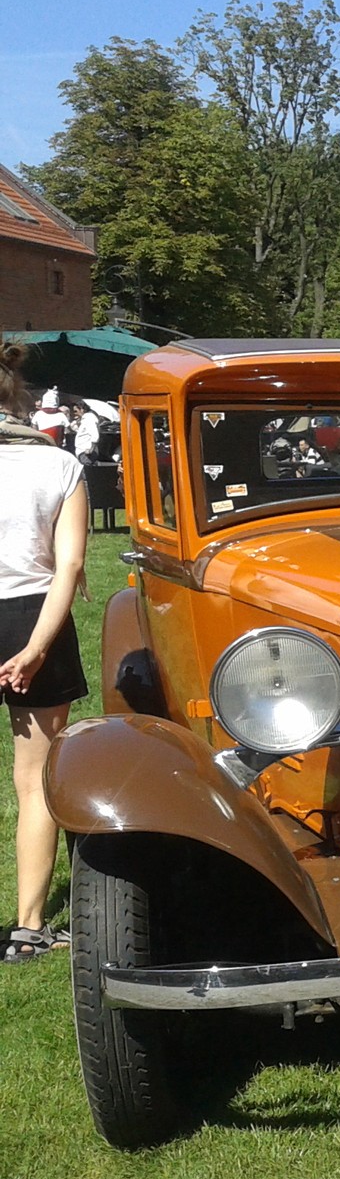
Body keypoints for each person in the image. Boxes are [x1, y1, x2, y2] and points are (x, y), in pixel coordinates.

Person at [0, 344, 88, 960]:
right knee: (34, 781)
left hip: (31, 615)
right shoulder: (59, 466)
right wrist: (34, 649)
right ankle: (29, 927)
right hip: (34, 615)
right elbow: (72, 565)